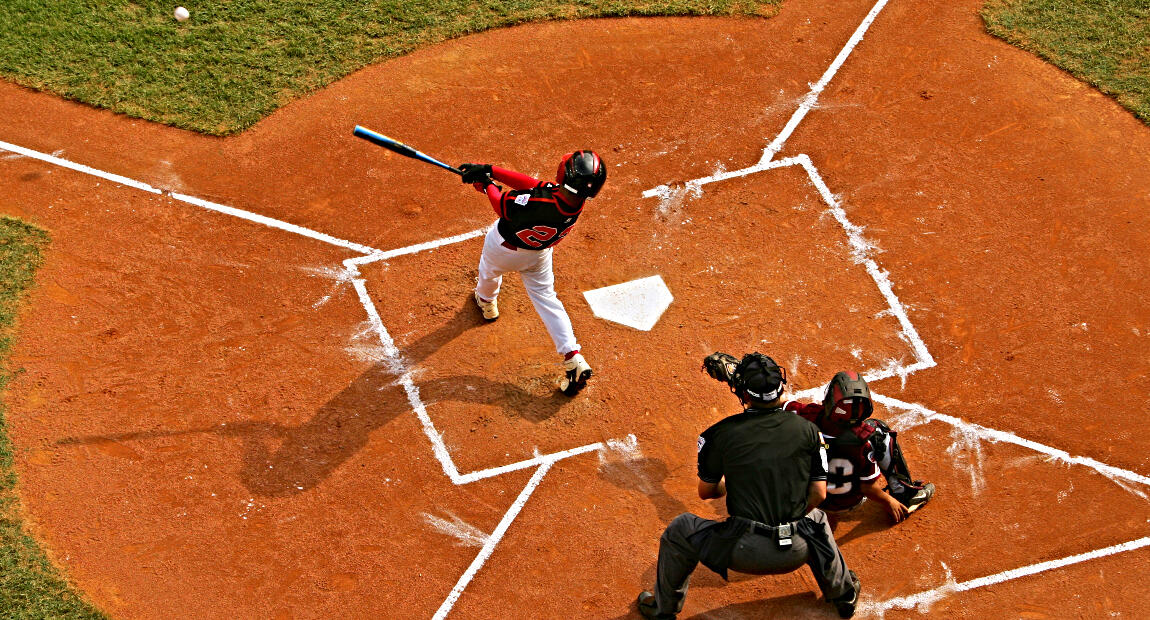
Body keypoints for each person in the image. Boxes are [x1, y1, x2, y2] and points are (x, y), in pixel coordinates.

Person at [637, 353, 861, 619]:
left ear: (743, 394)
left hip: (742, 551)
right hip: (798, 548)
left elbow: (707, 492)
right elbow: (818, 494)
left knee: (680, 529)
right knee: (817, 519)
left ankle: (663, 611)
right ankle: (845, 595)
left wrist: (737, 483)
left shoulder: (719, 434)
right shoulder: (809, 430)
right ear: (782, 388)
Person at [456, 152, 605, 396]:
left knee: (489, 273)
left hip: (503, 249)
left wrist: (487, 186)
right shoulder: (574, 201)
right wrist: (490, 170)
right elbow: (534, 184)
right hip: (539, 255)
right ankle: (572, 355)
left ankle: (486, 302)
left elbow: (500, 204)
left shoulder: (539, 204)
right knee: (547, 298)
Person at [784, 371, 936, 523]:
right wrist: (889, 501)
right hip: (848, 502)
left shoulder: (806, 416)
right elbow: (867, 487)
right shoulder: (863, 440)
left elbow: (782, 406)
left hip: (810, 498)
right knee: (880, 430)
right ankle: (903, 492)